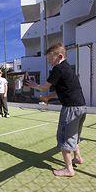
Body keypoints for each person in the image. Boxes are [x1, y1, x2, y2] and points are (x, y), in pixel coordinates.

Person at [26, 42, 86, 177]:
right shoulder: (68, 69)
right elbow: (62, 91)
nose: (49, 63)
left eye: (50, 59)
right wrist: (47, 98)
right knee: (74, 135)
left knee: (64, 138)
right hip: (81, 107)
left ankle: (69, 169)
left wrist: (35, 85)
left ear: (59, 56)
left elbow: (44, 87)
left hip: (70, 109)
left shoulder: (58, 69)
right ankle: (78, 158)